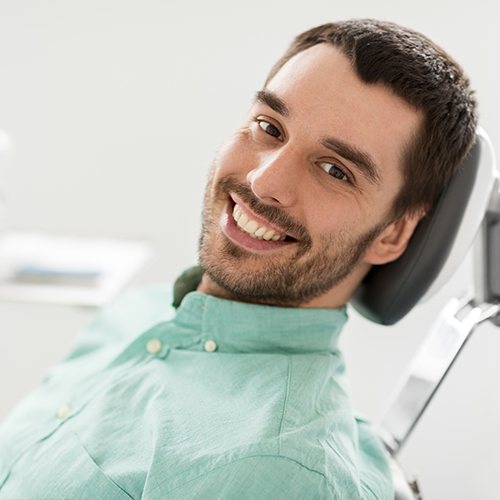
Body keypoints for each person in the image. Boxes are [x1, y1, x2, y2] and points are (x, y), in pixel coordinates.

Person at [0, 19, 477, 499]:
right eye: (270, 127)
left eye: (336, 170)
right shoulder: (137, 314)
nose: (264, 182)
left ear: (394, 233)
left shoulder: (278, 472)